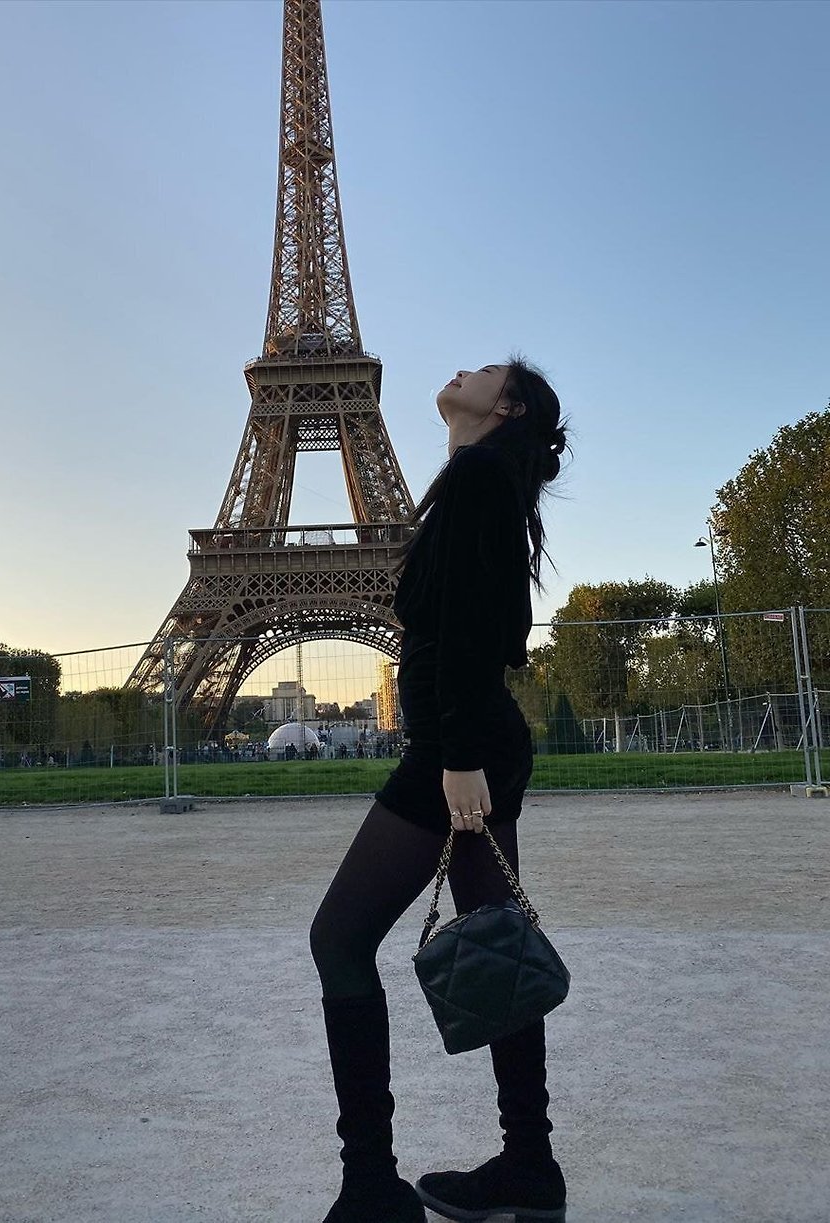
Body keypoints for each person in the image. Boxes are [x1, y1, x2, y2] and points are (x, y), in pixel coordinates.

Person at [309, 356, 570, 1223]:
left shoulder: (479, 479)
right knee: (495, 946)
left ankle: (372, 1188)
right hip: (476, 740)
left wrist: (456, 754)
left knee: (339, 937)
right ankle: (528, 1165)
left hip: (459, 749)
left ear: (509, 407)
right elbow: (493, 623)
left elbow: (463, 626)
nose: (464, 368)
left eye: (487, 369)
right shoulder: (483, 481)